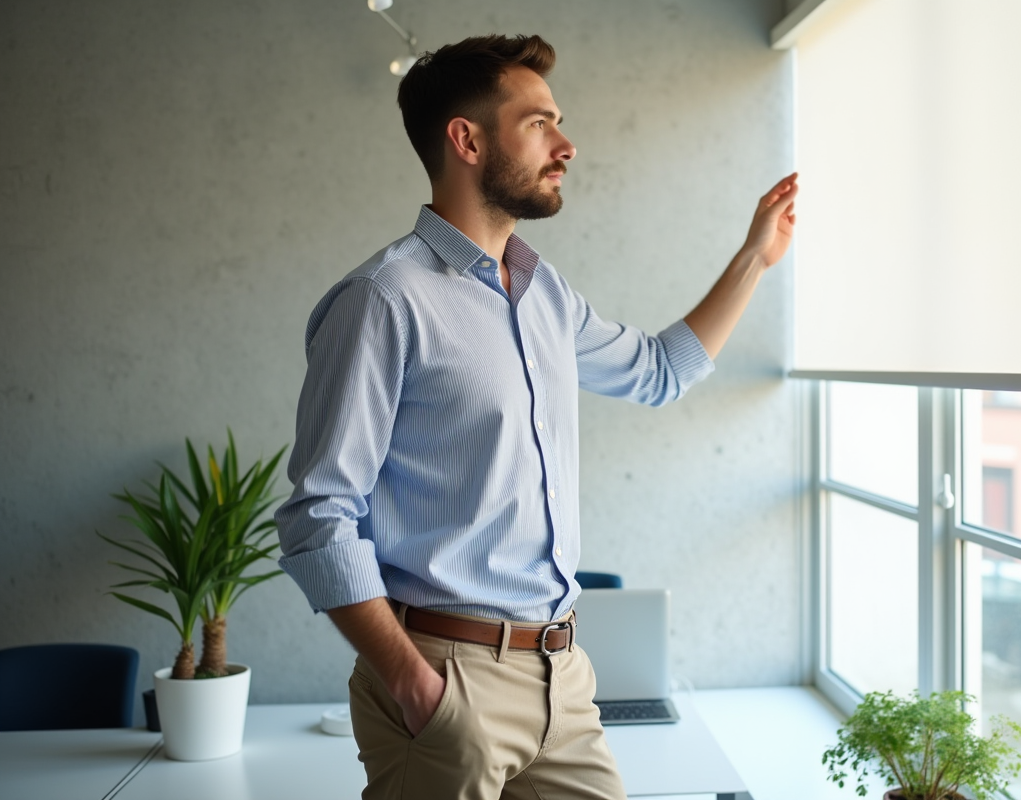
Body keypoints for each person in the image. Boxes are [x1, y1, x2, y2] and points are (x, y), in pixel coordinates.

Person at [274, 33, 797, 800]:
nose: (567, 144)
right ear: (468, 140)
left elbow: (658, 372)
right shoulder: (383, 300)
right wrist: (415, 686)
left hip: (563, 677)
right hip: (446, 681)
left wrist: (754, 257)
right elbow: (319, 515)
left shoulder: (543, 293)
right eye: (540, 122)